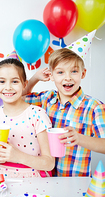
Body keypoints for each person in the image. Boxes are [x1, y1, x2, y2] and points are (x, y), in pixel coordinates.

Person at [25, 48, 105, 177]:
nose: (67, 78)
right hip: (45, 178)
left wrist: (79, 138)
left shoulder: (94, 107)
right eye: (60, 72)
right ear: (51, 75)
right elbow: (19, 96)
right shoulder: (46, 99)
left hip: (75, 180)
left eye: (74, 71)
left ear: (83, 74)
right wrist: (35, 78)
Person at [0, 58, 55, 179]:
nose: (8, 87)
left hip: (30, 178)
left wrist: (17, 156)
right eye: (2, 81)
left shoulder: (37, 115)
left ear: (24, 84)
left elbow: (49, 163)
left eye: (15, 81)